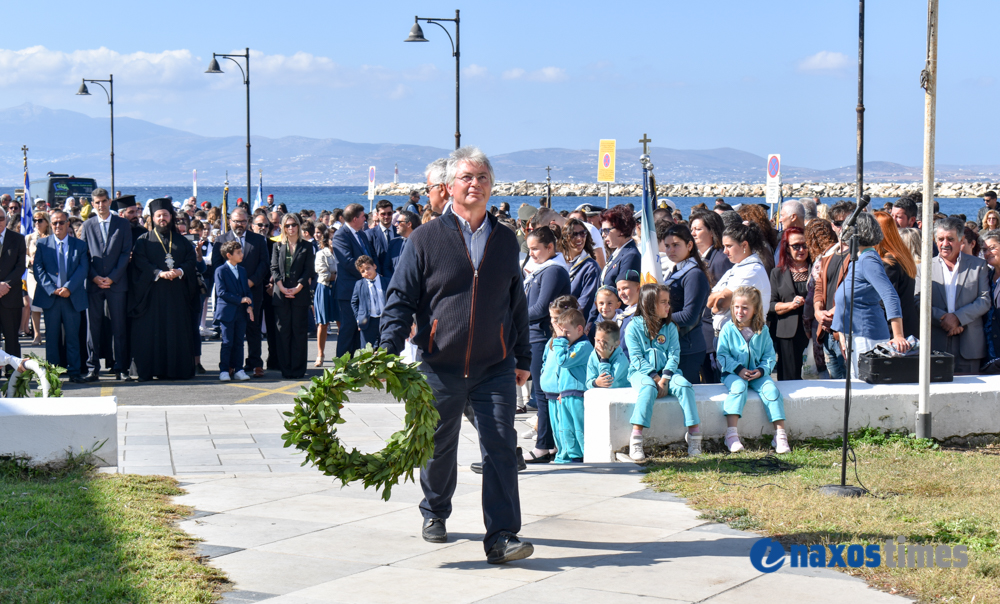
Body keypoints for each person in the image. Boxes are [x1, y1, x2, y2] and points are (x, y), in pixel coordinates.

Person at [379, 146, 533, 564]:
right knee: (437, 445)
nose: (475, 184)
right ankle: (434, 510)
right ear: (448, 188)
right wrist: (386, 352)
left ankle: (502, 536)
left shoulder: (505, 239)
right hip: (439, 364)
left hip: (494, 365)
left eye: (483, 177)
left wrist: (522, 356)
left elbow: (514, 300)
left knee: (500, 445)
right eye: (467, 177)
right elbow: (400, 299)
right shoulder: (425, 239)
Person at [623, 283, 701, 462]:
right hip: (641, 374)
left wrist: (665, 377)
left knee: (684, 385)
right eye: (663, 302)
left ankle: (694, 435)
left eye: (668, 302)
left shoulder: (670, 327)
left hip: (668, 373)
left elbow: (674, 354)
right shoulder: (633, 327)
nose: (668, 306)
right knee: (648, 388)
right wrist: (655, 377)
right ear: (649, 304)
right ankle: (636, 438)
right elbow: (636, 358)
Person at [831, 212, 911, 375]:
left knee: (865, 386)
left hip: (867, 336)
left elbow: (890, 295)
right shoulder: (859, 258)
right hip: (855, 334)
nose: (841, 231)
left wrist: (898, 335)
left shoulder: (868, 259)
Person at [127, 199, 198, 381]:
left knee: (176, 331)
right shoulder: (143, 241)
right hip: (152, 296)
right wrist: (158, 273)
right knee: (152, 332)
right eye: (159, 215)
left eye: (165, 215)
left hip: (177, 296)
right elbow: (140, 262)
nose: (162, 219)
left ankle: (176, 370)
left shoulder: (182, 241)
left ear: (171, 217)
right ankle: (150, 369)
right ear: (152, 218)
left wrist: (179, 271)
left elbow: (191, 261)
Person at [717, 285, 789, 454]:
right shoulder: (727, 328)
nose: (739, 311)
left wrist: (762, 371)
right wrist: (738, 369)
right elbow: (722, 355)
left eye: (745, 308)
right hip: (733, 373)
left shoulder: (762, 330)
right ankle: (731, 435)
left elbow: (769, 356)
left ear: (755, 309)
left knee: (771, 390)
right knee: (738, 388)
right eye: (736, 307)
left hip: (757, 374)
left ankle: (780, 435)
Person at [915, 217, 991, 374]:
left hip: (969, 344)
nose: (945, 244)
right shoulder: (923, 268)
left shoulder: (978, 266)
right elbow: (918, 301)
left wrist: (957, 318)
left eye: (950, 239)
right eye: (940, 239)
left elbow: (984, 300)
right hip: (935, 343)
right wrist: (943, 318)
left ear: (961, 240)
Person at [523, 226, 571, 464]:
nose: (531, 253)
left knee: (543, 392)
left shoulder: (553, 271)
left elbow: (541, 309)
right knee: (542, 392)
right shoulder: (541, 270)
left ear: (550, 248)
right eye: (529, 249)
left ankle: (544, 445)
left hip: (542, 336)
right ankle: (549, 443)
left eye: (535, 249)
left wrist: (512, 315)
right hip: (534, 335)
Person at [211, 208, 269, 378]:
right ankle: (229, 367)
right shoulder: (220, 240)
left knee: (253, 328)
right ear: (230, 222)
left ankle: (255, 363)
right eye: (236, 221)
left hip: (252, 291)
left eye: (243, 221)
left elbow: (264, 264)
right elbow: (216, 266)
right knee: (230, 336)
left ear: (248, 222)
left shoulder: (258, 240)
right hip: (229, 298)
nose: (240, 224)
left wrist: (251, 281)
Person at [81, 188, 132, 382]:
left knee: (119, 327)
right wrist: (94, 277)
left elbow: (125, 253)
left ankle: (120, 367)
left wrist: (112, 277)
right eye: (97, 202)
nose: (100, 205)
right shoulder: (87, 225)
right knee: (92, 328)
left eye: (103, 201)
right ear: (92, 204)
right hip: (94, 285)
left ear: (109, 202)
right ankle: (92, 368)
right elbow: (83, 255)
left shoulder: (122, 224)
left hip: (116, 284)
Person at [33, 210, 88, 382]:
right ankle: (52, 373)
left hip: (71, 298)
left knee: (73, 337)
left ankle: (74, 371)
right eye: (55, 222)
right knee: (52, 338)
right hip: (51, 298)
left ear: (67, 224)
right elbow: (38, 269)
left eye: (61, 222)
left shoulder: (79, 245)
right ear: (50, 224)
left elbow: (83, 269)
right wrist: (52, 288)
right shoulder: (42, 244)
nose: (58, 226)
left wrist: (68, 288)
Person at [270, 213, 316, 379]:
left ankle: (298, 369)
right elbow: (274, 268)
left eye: (293, 225)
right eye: (287, 225)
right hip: (281, 294)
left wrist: (297, 288)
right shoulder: (277, 246)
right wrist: (281, 287)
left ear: (298, 226)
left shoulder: (307, 246)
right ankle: (286, 369)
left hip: (300, 293)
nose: (291, 228)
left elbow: (309, 269)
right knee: (283, 332)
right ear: (283, 227)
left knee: (299, 332)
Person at [707, 223, 771, 338]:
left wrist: (715, 306)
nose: (725, 251)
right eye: (724, 246)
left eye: (729, 246)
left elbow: (721, 303)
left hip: (742, 338)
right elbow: (710, 299)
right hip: (729, 335)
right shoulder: (737, 267)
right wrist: (718, 297)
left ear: (744, 245)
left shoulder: (751, 270)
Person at [690, 210, 731, 383]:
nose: (692, 233)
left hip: (712, 332)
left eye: (697, 229)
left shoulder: (720, 259)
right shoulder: (698, 258)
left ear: (712, 232)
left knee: (713, 381)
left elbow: (722, 299)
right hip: (701, 332)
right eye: (691, 229)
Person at [548, 308, 593, 463]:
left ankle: (584, 456)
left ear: (579, 329)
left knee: (579, 428)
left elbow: (563, 361)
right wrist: (562, 390)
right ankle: (572, 455)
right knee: (566, 429)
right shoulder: (569, 345)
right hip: (567, 394)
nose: (564, 336)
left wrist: (559, 339)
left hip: (578, 394)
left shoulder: (583, 346)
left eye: (566, 332)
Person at [768, 227, 811, 381]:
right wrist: (790, 306)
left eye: (805, 245)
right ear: (786, 248)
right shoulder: (777, 273)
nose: (801, 249)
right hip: (787, 331)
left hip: (813, 331)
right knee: (788, 378)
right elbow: (770, 305)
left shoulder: (817, 269)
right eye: (796, 246)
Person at [332, 203, 371, 358]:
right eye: (363, 216)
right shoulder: (341, 235)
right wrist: (368, 274)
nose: (365, 219)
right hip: (348, 291)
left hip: (363, 289)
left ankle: (355, 364)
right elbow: (348, 262)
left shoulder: (361, 234)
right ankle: (341, 367)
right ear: (355, 218)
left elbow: (369, 256)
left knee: (360, 328)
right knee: (348, 329)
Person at [873, 211, 919, 338]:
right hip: (906, 327)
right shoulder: (901, 256)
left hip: (893, 332)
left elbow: (885, 300)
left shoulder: (889, 262)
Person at [214, 241, 253, 382]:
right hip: (227, 312)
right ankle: (224, 370)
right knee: (227, 341)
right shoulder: (220, 270)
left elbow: (247, 290)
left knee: (239, 342)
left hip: (240, 312)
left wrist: (249, 304)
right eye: (238, 253)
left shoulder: (242, 270)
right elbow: (221, 292)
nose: (241, 255)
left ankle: (239, 369)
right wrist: (240, 300)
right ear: (229, 255)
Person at [560, 218, 600, 332]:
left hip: (573, 326)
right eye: (574, 234)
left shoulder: (591, 267)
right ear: (565, 238)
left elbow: (585, 303)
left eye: (583, 233)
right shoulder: (559, 261)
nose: (579, 238)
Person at [351, 255, 390, 348]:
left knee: (386, 347)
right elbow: (354, 302)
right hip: (368, 321)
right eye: (363, 271)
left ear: (374, 266)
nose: (366, 272)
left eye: (368, 268)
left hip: (384, 319)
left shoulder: (386, 281)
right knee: (367, 350)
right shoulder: (359, 285)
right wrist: (359, 318)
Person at [599, 205, 641, 287]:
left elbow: (625, 292)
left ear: (621, 230)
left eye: (606, 230)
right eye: (602, 231)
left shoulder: (631, 256)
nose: (603, 235)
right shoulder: (618, 252)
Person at [313, 230, 337, 367]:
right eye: (333, 239)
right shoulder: (321, 254)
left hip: (339, 289)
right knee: (323, 323)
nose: (335, 242)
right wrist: (338, 276)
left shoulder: (342, 254)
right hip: (324, 289)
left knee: (342, 323)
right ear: (327, 240)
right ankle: (320, 354)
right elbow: (323, 275)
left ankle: (341, 354)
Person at [25, 211, 49, 346]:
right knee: (34, 304)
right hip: (32, 274)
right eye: (35, 220)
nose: (37, 223)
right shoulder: (29, 238)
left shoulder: (52, 237)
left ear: (46, 222)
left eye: (40, 220)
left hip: (48, 274)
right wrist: (30, 260)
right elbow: (24, 255)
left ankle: (49, 332)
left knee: (48, 303)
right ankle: (37, 334)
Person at [586, 320, 629, 389]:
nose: (600, 344)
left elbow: (607, 381)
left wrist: (604, 359)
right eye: (597, 340)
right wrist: (595, 383)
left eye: (605, 342)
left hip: (620, 397)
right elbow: (588, 383)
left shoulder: (621, 360)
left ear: (616, 344)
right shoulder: (593, 356)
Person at [980, 231, 1000, 372]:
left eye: (992, 248)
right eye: (984, 250)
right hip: (989, 351)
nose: (987, 253)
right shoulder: (987, 276)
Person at [365, 199, 397, 278]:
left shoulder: (399, 232)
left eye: (389, 213)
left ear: (393, 213)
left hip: (398, 277)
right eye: (383, 214)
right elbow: (371, 258)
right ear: (377, 214)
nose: (386, 216)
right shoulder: (370, 234)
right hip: (380, 277)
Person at [387, 210, 420, 275]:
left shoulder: (419, 244)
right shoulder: (393, 243)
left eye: (399, 222)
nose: (396, 224)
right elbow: (386, 266)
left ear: (409, 224)